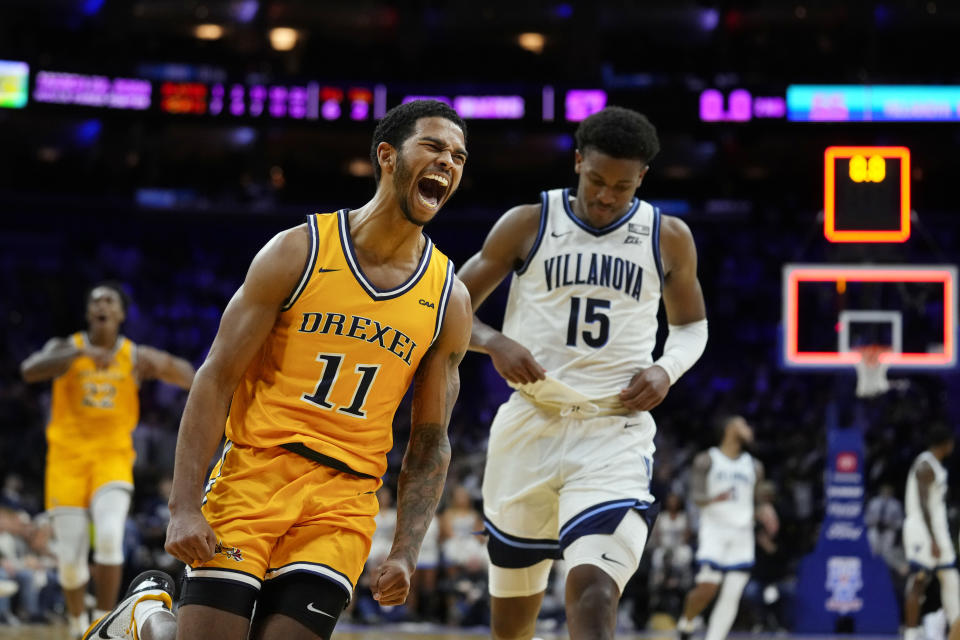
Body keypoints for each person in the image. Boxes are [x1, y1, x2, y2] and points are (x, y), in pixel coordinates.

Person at [83, 98, 472, 640]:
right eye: (433, 147)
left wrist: (406, 548)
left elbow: (431, 438)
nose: (448, 162)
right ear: (387, 156)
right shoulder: (299, 251)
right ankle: (145, 615)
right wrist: (184, 507)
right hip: (255, 472)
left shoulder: (448, 298)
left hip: (345, 500)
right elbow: (215, 376)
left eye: (458, 155)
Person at [457, 105, 708, 640]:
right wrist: (493, 341)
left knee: (594, 586)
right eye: (596, 180)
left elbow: (692, 328)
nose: (605, 196)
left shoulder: (669, 236)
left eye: (621, 185)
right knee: (512, 627)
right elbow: (449, 307)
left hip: (612, 429)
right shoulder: (529, 222)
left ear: (642, 177)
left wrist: (666, 370)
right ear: (577, 163)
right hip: (530, 424)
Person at [20, 283, 195, 637]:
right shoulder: (66, 347)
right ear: (89, 313)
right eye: (95, 300)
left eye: (109, 300)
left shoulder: (132, 354)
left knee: (112, 536)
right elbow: (30, 370)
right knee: (70, 562)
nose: (102, 304)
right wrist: (76, 356)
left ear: (120, 315)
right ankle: (74, 625)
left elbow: (189, 374)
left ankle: (103, 622)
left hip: (111, 459)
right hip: (66, 462)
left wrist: (158, 365)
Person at [677, 415, 765, 640]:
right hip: (715, 529)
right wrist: (717, 498)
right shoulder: (707, 459)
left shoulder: (754, 466)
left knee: (732, 594)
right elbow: (696, 497)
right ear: (729, 428)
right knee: (707, 588)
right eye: (743, 424)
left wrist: (765, 511)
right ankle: (686, 623)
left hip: (743, 533)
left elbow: (756, 500)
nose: (748, 428)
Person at [903, 426, 958, 640]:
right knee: (919, 581)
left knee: (951, 578)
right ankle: (910, 633)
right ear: (946, 443)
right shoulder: (925, 464)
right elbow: (923, 504)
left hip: (938, 530)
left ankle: (955, 626)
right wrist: (932, 538)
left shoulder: (937, 466)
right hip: (922, 530)